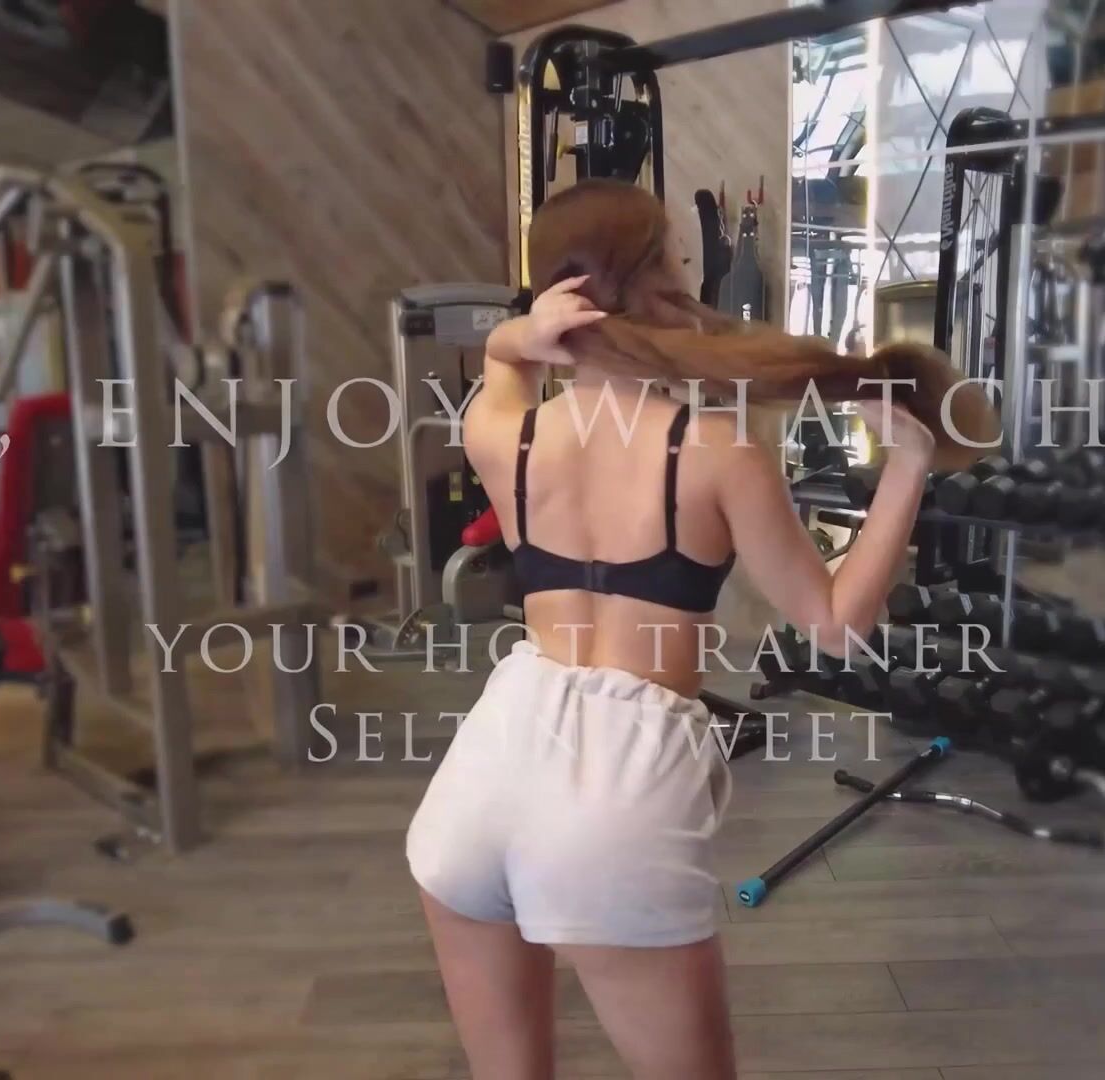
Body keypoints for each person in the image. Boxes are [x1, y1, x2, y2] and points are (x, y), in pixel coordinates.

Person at [405, 179, 994, 1079]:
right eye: (679, 258)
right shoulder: (719, 454)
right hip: (616, 800)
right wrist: (908, 465)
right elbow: (837, 628)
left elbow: (503, 360)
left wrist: (519, 333)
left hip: (480, 781)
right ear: (652, 284)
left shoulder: (503, 434)